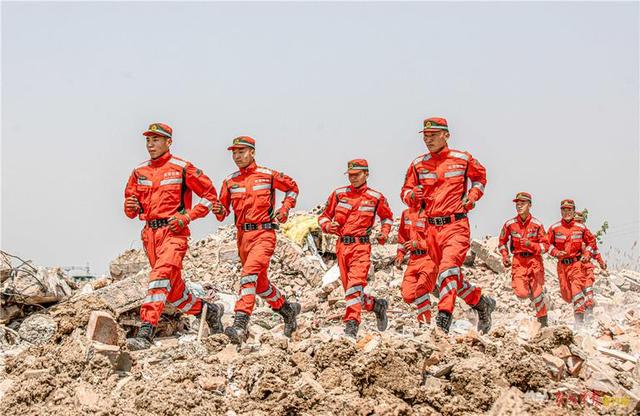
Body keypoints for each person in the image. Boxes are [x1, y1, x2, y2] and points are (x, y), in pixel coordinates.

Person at [124, 122, 223, 350]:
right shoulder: (139, 172)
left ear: (169, 142)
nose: (151, 144)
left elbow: (210, 197)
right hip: (150, 235)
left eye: (156, 139)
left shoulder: (182, 167)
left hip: (174, 233)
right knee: (175, 294)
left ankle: (146, 333)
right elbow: (131, 210)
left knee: (158, 278)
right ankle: (209, 311)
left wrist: (187, 217)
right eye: (148, 140)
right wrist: (130, 206)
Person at [400, 117, 495, 334]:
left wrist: (472, 196)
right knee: (449, 276)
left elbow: (480, 178)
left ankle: (443, 322)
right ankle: (481, 303)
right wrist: (412, 195)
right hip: (431, 229)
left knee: (448, 270)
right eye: (425, 135)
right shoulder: (417, 164)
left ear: (446, 135)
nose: (428, 139)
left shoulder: (462, 159)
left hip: (456, 225)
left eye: (433, 135)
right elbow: (405, 192)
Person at [211, 136, 300, 344]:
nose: (237, 156)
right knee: (260, 285)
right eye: (234, 152)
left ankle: (240, 324)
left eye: (241, 151)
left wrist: (285, 208)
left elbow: (292, 188)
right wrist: (218, 209)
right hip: (242, 237)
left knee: (248, 276)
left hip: (264, 234)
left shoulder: (267, 175)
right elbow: (222, 212)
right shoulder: (229, 181)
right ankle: (287, 311)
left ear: (252, 152)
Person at [318, 159, 393, 338]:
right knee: (352, 293)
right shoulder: (338, 194)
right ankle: (377, 305)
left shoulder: (375, 197)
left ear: (366, 174)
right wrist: (328, 226)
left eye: (357, 175)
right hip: (342, 247)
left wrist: (384, 233)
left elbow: (387, 218)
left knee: (354, 288)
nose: (353, 178)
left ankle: (351, 327)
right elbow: (323, 217)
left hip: (361, 247)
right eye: (350, 175)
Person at [498, 192, 549, 327]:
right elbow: (502, 242)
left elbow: (546, 246)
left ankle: (543, 321)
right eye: (517, 204)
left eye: (523, 203)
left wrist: (531, 245)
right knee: (521, 293)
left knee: (537, 292)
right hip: (518, 261)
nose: (519, 206)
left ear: (530, 205)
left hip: (534, 260)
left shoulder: (537, 224)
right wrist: (504, 255)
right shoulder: (510, 224)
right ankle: (532, 293)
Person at [547, 200, 597, 328]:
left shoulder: (581, 228)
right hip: (562, 266)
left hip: (576, 264)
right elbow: (547, 244)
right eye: (564, 210)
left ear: (574, 211)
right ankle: (581, 309)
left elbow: (591, 242)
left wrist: (587, 254)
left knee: (576, 291)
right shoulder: (554, 228)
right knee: (567, 296)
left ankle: (579, 321)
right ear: (561, 211)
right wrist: (556, 252)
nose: (567, 212)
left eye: (569, 210)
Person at [395, 207, 437, 325]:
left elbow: (437, 239)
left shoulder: (432, 212)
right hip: (413, 260)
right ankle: (434, 287)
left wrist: (418, 244)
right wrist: (400, 255)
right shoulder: (406, 213)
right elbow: (402, 237)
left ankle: (424, 322)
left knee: (421, 289)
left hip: (429, 257)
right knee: (407, 295)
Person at [574, 210, 606, 323]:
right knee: (577, 294)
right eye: (576, 221)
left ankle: (589, 314)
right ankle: (578, 320)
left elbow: (595, 251)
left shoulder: (589, 236)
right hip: (574, 269)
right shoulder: (570, 236)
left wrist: (601, 262)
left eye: (580, 221)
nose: (578, 224)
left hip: (587, 268)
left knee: (588, 291)